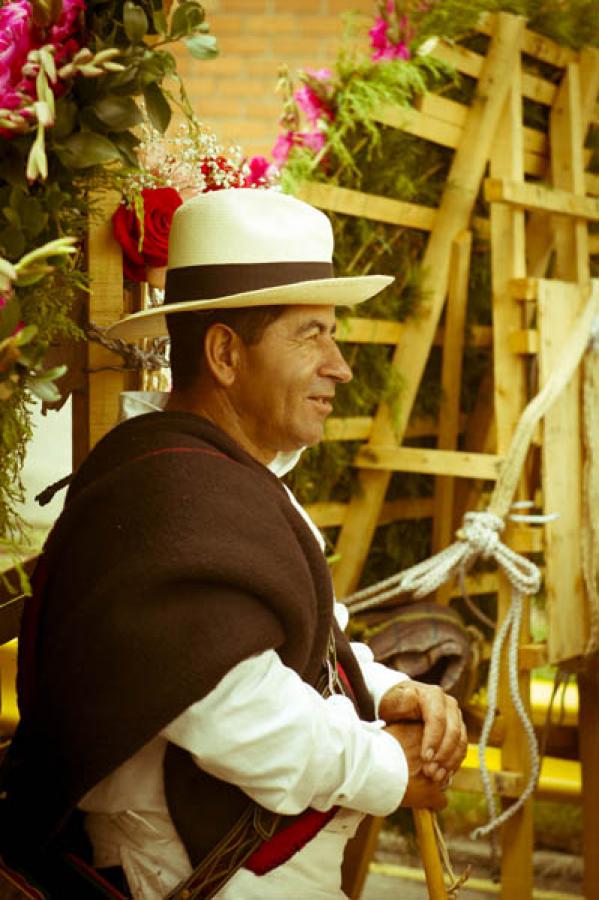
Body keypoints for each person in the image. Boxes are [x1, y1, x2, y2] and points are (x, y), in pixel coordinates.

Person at [0, 189, 467, 899]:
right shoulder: (167, 501)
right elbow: (245, 717)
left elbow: (307, 652)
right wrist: (391, 771)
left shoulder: (224, 479)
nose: (339, 365)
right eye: (310, 334)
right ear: (223, 352)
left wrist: (392, 690)